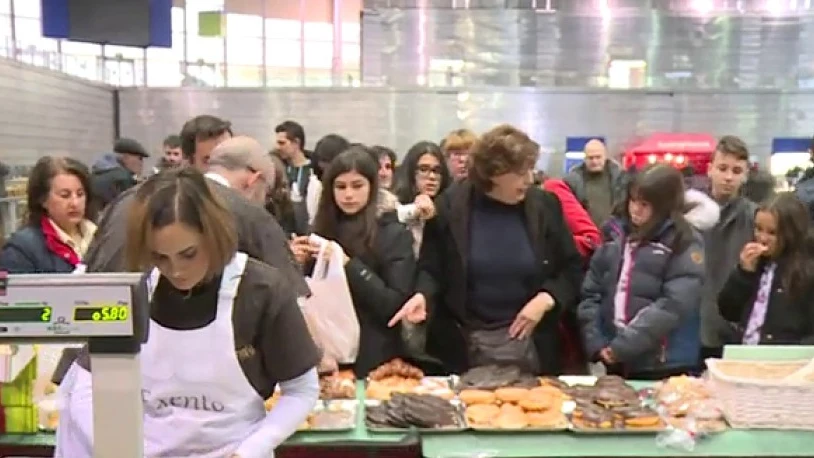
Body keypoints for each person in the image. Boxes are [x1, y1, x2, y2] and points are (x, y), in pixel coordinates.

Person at [54, 168, 319, 458]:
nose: (176, 271)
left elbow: (301, 390)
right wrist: (122, 449)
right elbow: (87, 385)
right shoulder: (136, 292)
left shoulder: (262, 292)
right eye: (160, 257)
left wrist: (251, 450)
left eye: (188, 254)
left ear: (214, 235)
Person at [391, 124, 583, 375]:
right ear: (494, 173)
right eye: (521, 172)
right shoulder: (450, 207)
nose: (529, 179)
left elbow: (572, 268)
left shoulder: (545, 207)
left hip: (534, 346)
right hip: (464, 346)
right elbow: (432, 267)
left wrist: (547, 298)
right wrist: (422, 295)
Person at [83, 116, 309, 297]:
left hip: (104, 334)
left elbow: (88, 272)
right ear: (254, 180)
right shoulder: (250, 216)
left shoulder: (124, 201)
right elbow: (295, 303)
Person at [290, 148, 416, 377]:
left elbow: (394, 304)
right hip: (326, 353)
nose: (348, 195)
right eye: (340, 187)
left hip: (374, 357)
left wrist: (347, 264)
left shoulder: (393, 232)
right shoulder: (319, 230)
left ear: (372, 186)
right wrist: (296, 263)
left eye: (357, 186)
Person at [578, 165, 706, 380]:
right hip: (614, 359)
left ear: (664, 206)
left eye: (644, 204)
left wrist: (623, 346)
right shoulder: (614, 237)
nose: (635, 209)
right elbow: (591, 293)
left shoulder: (683, 242)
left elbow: (674, 305)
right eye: (633, 201)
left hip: (662, 362)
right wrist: (596, 342)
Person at [718, 193, 814, 345]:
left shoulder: (807, 271)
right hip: (747, 355)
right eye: (758, 229)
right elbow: (729, 312)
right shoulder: (756, 265)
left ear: (792, 233)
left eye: (772, 232)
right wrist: (743, 273)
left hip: (785, 361)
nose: (762, 238)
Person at [700, 136, 757, 361]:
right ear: (710, 169)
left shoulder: (754, 218)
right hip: (692, 327)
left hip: (733, 330)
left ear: (745, 176)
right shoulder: (689, 214)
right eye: (722, 168)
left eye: (736, 170)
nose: (728, 177)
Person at [0, 156, 97, 273]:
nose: (75, 203)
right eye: (65, 195)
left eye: (80, 194)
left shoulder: (99, 236)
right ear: (43, 199)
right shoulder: (22, 249)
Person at [393, 141, 453, 256]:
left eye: (436, 171)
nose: (431, 176)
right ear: (411, 172)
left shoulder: (452, 206)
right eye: (423, 169)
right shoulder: (394, 204)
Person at [91, 138, 149, 209]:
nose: (141, 163)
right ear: (126, 157)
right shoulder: (123, 178)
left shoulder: (98, 172)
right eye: (140, 158)